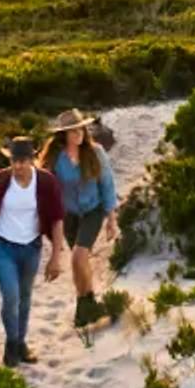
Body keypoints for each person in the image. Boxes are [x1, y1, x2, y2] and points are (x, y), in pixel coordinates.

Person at [0, 131, 64, 366]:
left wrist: (55, 257)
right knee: (10, 297)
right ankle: (11, 344)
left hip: (31, 247)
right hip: (4, 246)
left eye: (23, 160)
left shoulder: (46, 182)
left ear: (32, 159)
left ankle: (21, 343)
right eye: (14, 160)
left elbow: (57, 219)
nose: (18, 165)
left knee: (25, 297)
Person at [48, 110, 121, 307]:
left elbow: (107, 186)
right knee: (79, 262)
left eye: (80, 129)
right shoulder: (56, 159)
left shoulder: (96, 152)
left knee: (78, 257)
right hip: (69, 215)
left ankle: (86, 305)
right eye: (72, 131)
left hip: (93, 211)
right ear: (63, 135)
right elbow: (47, 189)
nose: (78, 133)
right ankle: (86, 304)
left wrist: (111, 220)